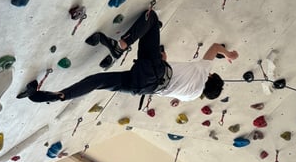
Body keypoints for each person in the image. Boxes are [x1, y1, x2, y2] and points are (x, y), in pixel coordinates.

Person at [18, 9, 238, 103]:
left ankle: (120, 46)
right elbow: (169, 85)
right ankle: (60, 95)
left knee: (152, 18)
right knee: (97, 81)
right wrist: (161, 61)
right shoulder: (191, 96)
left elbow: (215, 47)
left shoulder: (204, 71)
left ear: (211, 77)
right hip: (145, 87)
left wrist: (228, 54)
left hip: (156, 71)